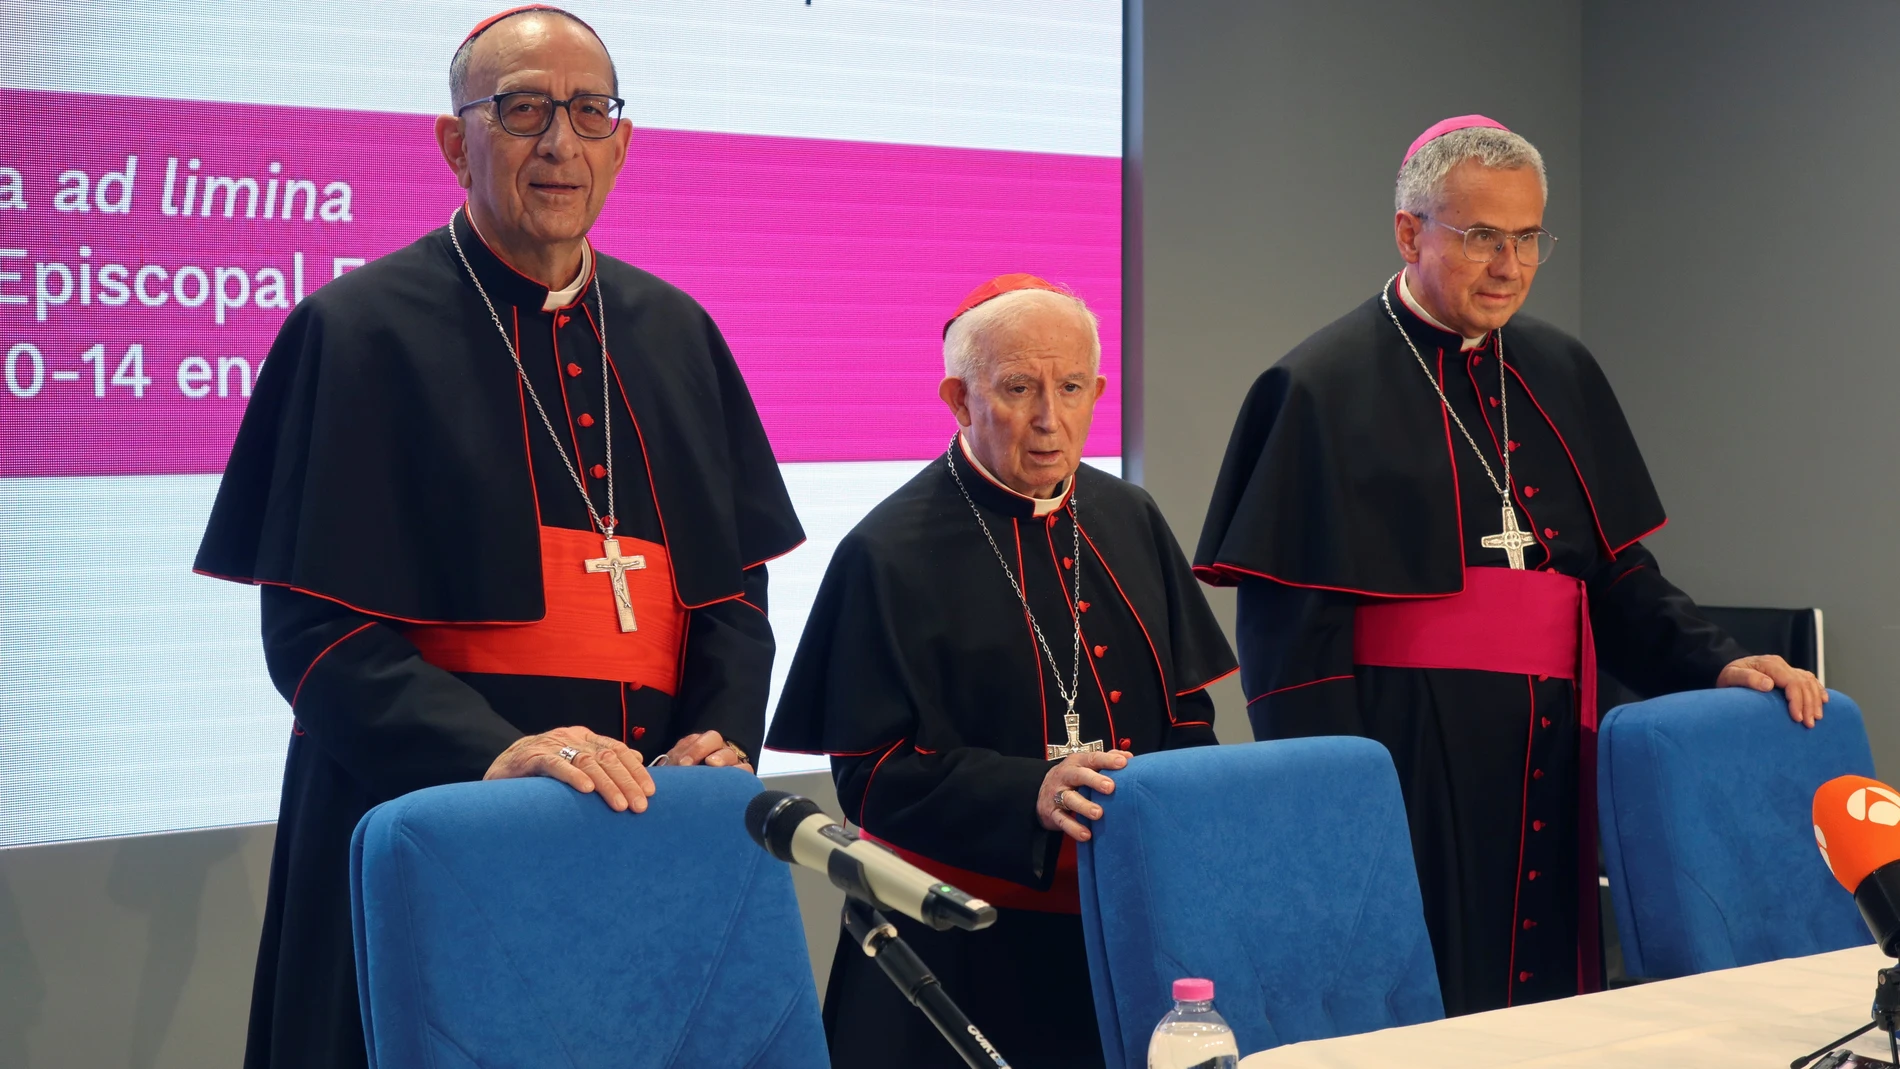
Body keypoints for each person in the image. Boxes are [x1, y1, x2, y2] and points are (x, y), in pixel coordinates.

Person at [192, 7, 804, 1067]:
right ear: (453, 142)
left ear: (622, 141)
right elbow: (317, 634)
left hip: (649, 831)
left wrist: (718, 731)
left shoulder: (679, 332)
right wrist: (493, 752)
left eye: (588, 111)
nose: (559, 141)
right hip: (439, 832)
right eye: (521, 110)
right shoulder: (356, 331)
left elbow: (733, 592)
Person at [1193, 115, 1826, 1016]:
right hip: (1405, 764)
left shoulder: (1560, 368)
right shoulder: (1320, 387)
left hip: (1555, 754)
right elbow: (1290, 643)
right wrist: (1332, 810)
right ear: (1411, 232)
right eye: (1483, 237)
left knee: (1549, 1010)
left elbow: (1614, 579)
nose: (1510, 266)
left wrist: (1716, 659)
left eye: (1529, 238)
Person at [767, 275, 1236, 1067]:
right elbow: (870, 775)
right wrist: (1032, 791)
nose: (1051, 419)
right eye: (1019, 388)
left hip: (1127, 923)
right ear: (959, 398)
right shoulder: (888, 553)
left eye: (1072, 386)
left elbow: (1188, 712)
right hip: (959, 948)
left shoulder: (1130, 517)